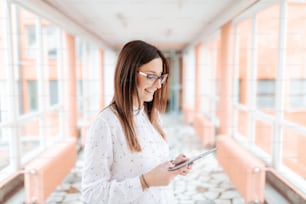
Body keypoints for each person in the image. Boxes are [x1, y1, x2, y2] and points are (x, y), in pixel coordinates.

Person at [82, 40, 191, 204]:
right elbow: (92, 194)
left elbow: (149, 167)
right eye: (151, 76)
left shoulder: (151, 115)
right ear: (129, 74)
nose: (158, 85)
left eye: (161, 77)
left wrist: (173, 166)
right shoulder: (106, 124)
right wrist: (144, 181)